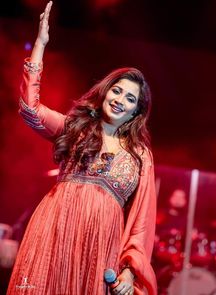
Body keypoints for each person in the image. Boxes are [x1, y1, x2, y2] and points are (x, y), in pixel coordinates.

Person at [7, 1, 157, 294]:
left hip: (100, 245)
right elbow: (30, 109)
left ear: (136, 112)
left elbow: (141, 223)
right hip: (54, 228)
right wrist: (40, 45)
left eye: (129, 98)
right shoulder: (74, 129)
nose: (119, 99)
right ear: (104, 93)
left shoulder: (140, 156)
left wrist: (129, 271)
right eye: (116, 90)